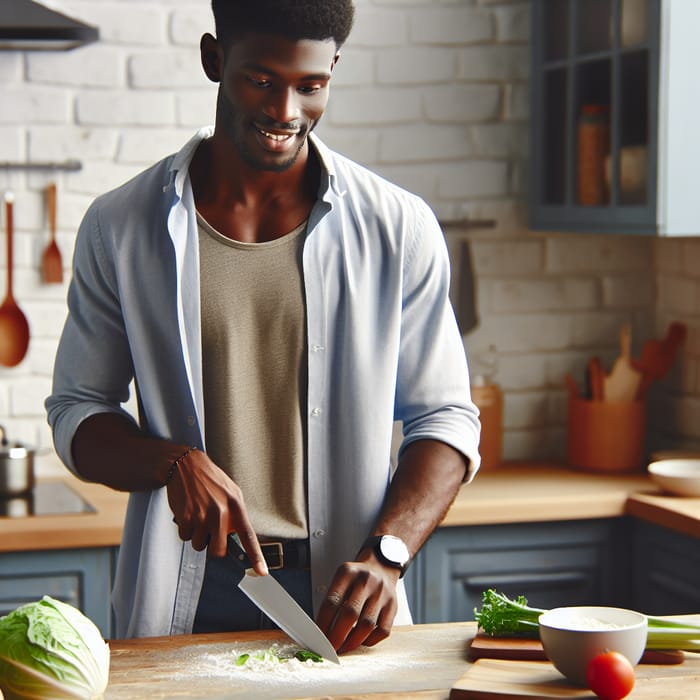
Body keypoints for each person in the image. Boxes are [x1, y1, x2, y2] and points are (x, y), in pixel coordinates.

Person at [46, 0, 480, 653]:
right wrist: (171, 462)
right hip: (184, 594)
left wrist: (386, 555)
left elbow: (445, 417)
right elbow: (78, 413)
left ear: (332, 70)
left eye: (311, 85)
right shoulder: (121, 226)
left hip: (345, 592)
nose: (285, 110)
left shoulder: (398, 227)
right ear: (214, 59)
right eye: (261, 79)